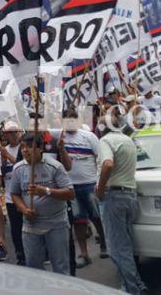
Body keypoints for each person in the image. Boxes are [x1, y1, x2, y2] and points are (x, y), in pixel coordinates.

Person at [9, 132, 75, 274]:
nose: (25, 150)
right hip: (30, 225)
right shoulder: (18, 169)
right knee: (33, 266)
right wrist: (24, 209)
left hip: (56, 224)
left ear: (40, 149)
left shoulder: (55, 166)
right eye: (22, 147)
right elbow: (14, 193)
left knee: (60, 265)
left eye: (29, 147)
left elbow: (70, 193)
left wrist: (46, 191)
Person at [96, 120, 147, 294]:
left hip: (114, 196)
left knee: (118, 249)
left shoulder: (106, 141)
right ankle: (137, 284)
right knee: (126, 245)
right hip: (129, 195)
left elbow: (108, 164)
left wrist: (100, 190)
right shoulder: (128, 139)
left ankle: (132, 289)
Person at [57, 112, 107, 268]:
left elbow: (100, 159)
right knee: (78, 220)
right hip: (71, 186)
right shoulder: (59, 138)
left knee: (97, 216)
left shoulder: (89, 137)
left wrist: (99, 181)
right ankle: (84, 253)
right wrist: (60, 148)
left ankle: (105, 244)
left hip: (90, 183)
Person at [0, 122, 24, 264]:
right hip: (9, 196)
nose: (12, 135)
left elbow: (23, 166)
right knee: (15, 229)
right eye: (9, 133)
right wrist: (2, 161)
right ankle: (20, 254)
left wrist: (8, 156)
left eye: (15, 132)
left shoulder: (23, 148)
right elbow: (1, 175)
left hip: (24, 194)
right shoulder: (2, 151)